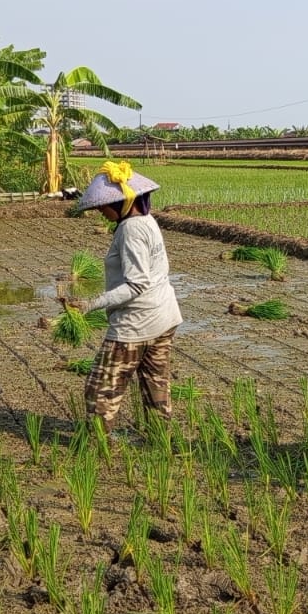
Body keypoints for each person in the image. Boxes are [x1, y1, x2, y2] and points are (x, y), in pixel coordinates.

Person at [70, 161, 183, 431]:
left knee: (101, 390)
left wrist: (89, 304)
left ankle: (98, 446)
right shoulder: (146, 221)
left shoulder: (130, 229)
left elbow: (136, 284)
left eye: (103, 205)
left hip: (136, 324)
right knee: (156, 385)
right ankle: (160, 441)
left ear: (124, 201)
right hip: (164, 317)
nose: (100, 210)